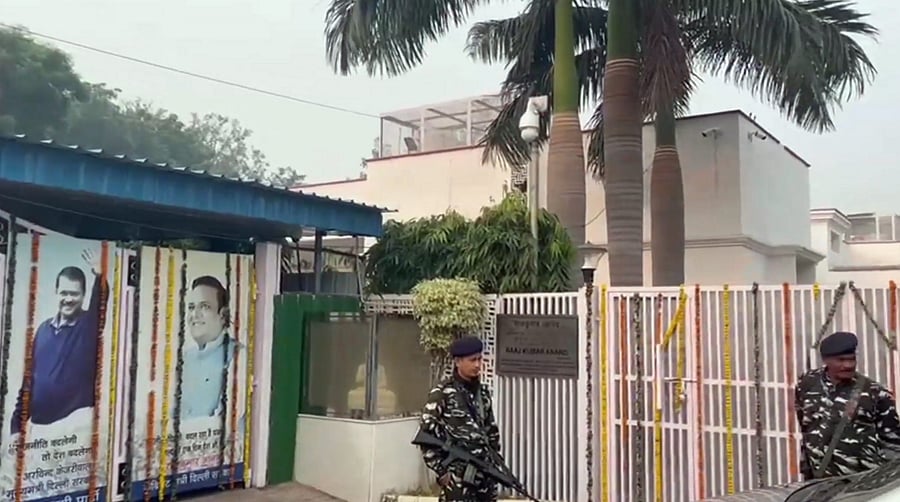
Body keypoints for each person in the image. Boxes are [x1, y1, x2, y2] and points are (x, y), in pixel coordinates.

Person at [11, 249, 108, 435]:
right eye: (64, 293)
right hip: (39, 430)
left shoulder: (88, 327)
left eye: (74, 294)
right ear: (56, 292)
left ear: (83, 295)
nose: (69, 299)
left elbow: (100, 302)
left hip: (72, 431)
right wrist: (16, 428)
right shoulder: (42, 330)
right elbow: (29, 381)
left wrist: (100, 275)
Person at [795, 331, 900, 479]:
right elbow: (806, 426)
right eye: (841, 360)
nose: (848, 365)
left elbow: (893, 445)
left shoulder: (875, 393)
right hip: (819, 481)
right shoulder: (807, 384)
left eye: (852, 359)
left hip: (860, 483)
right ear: (826, 360)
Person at [418, 336, 500, 502]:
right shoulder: (442, 393)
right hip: (458, 480)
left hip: (484, 478)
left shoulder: (482, 394)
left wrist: (496, 466)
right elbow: (425, 437)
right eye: (472, 360)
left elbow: (491, 433)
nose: (477, 365)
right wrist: (442, 472)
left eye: (479, 359)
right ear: (458, 361)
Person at [181, 275, 238, 420]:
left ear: (223, 315)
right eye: (192, 307)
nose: (195, 315)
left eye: (205, 306)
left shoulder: (237, 356)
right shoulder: (185, 358)